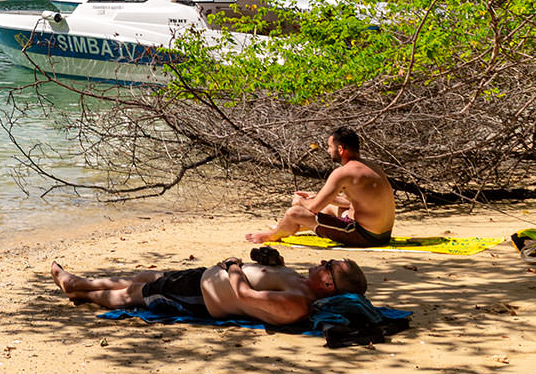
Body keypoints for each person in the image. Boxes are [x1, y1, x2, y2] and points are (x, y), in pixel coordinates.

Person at [50, 254, 367, 326]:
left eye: (328, 264)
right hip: (201, 279)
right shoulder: (300, 283)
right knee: (145, 277)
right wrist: (274, 262)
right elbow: (266, 279)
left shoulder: (299, 303)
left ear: (328, 284)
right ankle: (79, 283)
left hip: (200, 296)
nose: (322, 261)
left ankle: (79, 290)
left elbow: (247, 296)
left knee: (132, 295)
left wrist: (232, 266)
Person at [247, 126, 396, 247]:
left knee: (294, 212)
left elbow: (313, 209)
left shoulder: (342, 173)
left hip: (364, 236)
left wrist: (301, 201)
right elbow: (355, 203)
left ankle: (272, 235)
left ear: (341, 150)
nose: (328, 150)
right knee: (331, 208)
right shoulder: (372, 167)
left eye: (330, 147)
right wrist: (316, 197)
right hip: (382, 234)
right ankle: (286, 226)